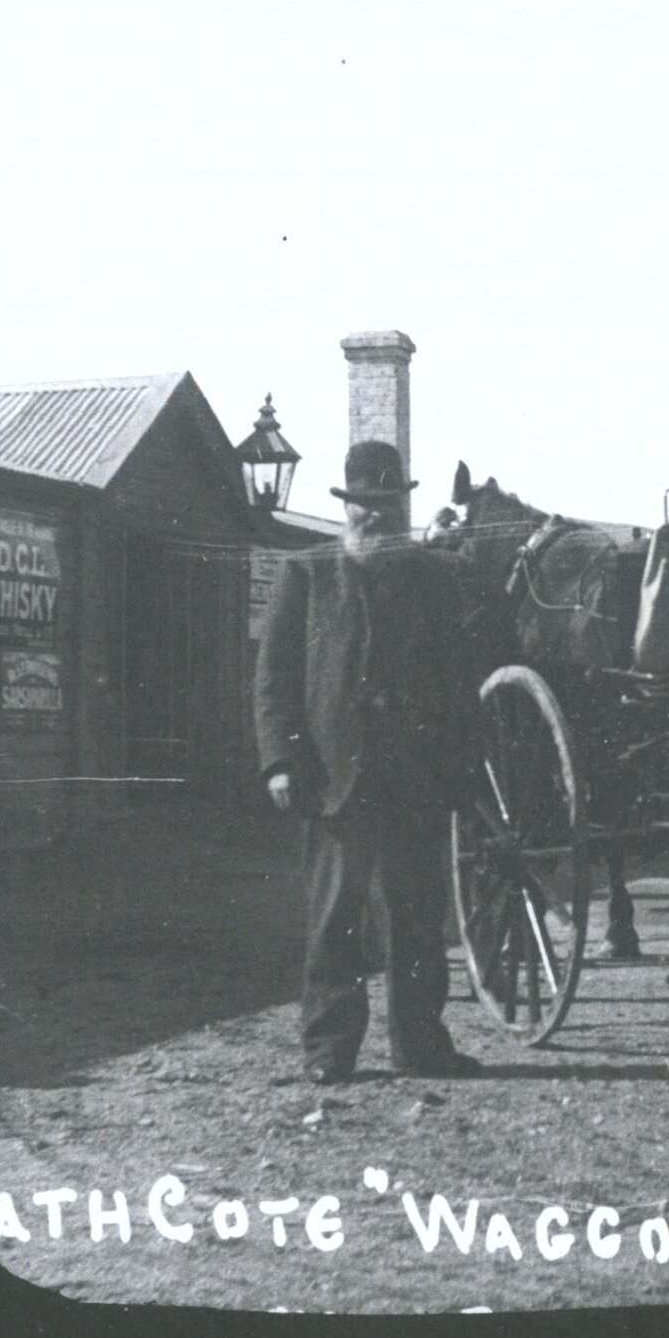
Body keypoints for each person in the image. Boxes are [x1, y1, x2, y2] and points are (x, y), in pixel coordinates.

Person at [255, 440, 484, 1084]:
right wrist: (278, 761)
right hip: (334, 781)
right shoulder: (307, 574)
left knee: (416, 920)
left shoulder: (434, 581)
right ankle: (329, 1051)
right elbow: (274, 677)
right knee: (335, 921)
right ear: (346, 506)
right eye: (364, 506)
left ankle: (420, 1046)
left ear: (403, 506)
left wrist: (463, 767)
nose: (375, 518)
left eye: (387, 505)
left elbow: (459, 682)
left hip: (413, 780)